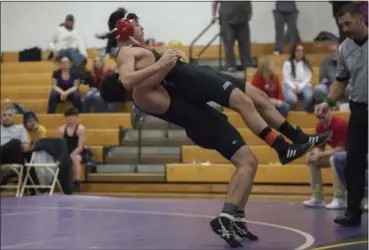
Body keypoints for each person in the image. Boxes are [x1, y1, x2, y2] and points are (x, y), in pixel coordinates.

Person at [101, 14, 331, 247]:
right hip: (200, 119)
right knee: (244, 128)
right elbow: (134, 79)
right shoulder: (133, 76)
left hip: (198, 99)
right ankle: (279, 150)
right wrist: (163, 63)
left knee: (251, 150)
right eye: (136, 25)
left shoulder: (138, 70)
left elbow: (151, 79)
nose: (140, 26)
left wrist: (168, 60)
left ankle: (236, 216)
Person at [315, 3, 368, 227]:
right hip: (359, 110)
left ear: (360, 18)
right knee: (354, 161)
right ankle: (353, 211)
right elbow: (340, 81)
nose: (345, 28)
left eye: (348, 23)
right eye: (341, 25)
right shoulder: (345, 48)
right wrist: (327, 102)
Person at [303, 109, 347, 209]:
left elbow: (342, 149)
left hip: (351, 156)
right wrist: (315, 154)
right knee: (311, 158)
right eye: (318, 117)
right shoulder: (320, 126)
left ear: (329, 112)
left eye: (323, 116)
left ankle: (340, 198)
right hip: (338, 155)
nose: (321, 120)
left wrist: (320, 154)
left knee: (334, 159)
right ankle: (317, 197)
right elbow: (319, 146)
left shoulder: (340, 124)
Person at [58, 107, 86, 192]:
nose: (70, 118)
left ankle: (77, 182)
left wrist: (72, 154)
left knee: (75, 158)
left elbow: (80, 147)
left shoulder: (81, 129)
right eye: (68, 116)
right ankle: (63, 182)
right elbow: (59, 146)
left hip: (78, 152)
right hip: (65, 152)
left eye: (72, 116)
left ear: (76, 117)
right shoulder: (61, 129)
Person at [282, 44, 314, 112]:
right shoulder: (287, 63)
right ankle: (285, 110)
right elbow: (286, 79)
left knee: (309, 97)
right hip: (290, 85)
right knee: (292, 99)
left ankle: (302, 112)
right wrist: (294, 87)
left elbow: (308, 78)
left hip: (303, 85)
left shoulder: (306, 63)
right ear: (294, 52)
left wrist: (300, 87)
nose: (300, 52)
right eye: (298, 50)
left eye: (302, 51)